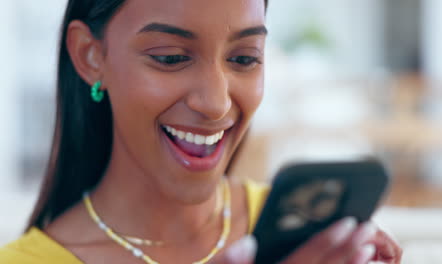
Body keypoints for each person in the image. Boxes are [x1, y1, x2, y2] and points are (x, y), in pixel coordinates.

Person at [0, 0, 402, 263]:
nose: (216, 103)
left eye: (245, 58)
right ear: (91, 57)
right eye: (171, 57)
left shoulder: (312, 237)